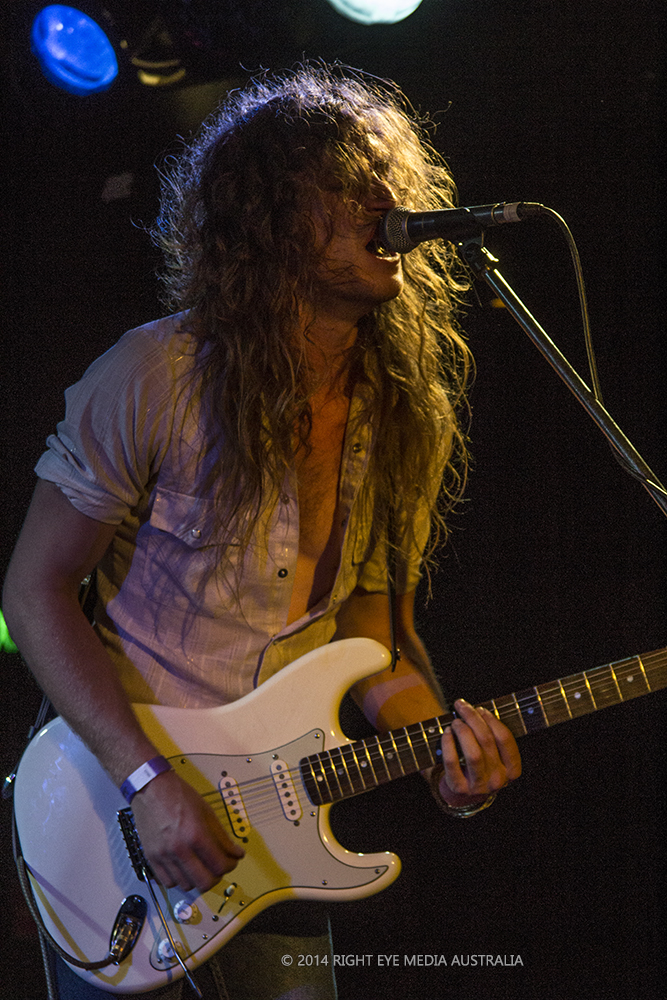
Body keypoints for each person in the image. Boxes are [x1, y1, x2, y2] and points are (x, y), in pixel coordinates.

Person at [3, 64, 521, 999]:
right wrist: (146, 783)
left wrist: (442, 755)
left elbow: (372, 638)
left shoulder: (402, 412)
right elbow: (33, 594)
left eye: (387, 180)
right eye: (349, 185)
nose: (385, 204)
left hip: (279, 832)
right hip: (118, 809)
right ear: (269, 220)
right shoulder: (156, 377)